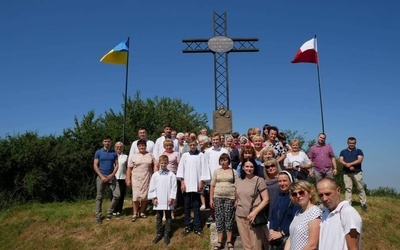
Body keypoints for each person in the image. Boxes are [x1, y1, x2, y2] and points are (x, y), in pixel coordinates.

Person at [317, 178, 362, 250]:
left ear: (338, 191)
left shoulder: (348, 212)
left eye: (328, 194)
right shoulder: (324, 212)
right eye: (321, 195)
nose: (324, 198)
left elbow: (353, 248)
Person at [235, 158, 270, 250]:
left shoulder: (259, 180)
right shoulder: (238, 181)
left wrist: (255, 212)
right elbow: (237, 196)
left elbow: (266, 199)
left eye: (251, 166)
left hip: (253, 216)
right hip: (240, 215)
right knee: (246, 245)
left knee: (255, 245)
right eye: (247, 166)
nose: (249, 168)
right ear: (243, 167)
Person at [177, 139, 208, 237]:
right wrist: (182, 182)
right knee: (186, 206)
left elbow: (204, 169)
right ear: (188, 146)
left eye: (194, 144)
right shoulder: (185, 156)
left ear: (197, 145)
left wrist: (201, 181)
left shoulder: (201, 155)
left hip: (196, 185)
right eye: (191, 145)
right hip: (186, 184)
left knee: (196, 206)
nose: (192, 146)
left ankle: (197, 227)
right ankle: (187, 226)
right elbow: (181, 169)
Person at [210, 153, 238, 250]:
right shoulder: (216, 171)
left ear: (228, 161)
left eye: (225, 160)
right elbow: (212, 185)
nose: (223, 162)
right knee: (219, 218)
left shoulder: (233, 171)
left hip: (230, 197)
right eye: (222, 160)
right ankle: (220, 241)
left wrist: (237, 199)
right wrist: (211, 199)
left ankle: (229, 241)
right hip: (218, 197)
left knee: (229, 218)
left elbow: (237, 186)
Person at [148, 155, 177, 246]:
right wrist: (154, 198)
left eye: (165, 163)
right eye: (162, 163)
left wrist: (172, 198)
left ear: (167, 163)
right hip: (159, 199)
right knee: (159, 216)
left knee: (168, 217)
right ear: (159, 164)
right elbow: (152, 187)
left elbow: (174, 187)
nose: (163, 164)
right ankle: (159, 233)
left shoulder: (171, 175)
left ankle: (167, 234)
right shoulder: (155, 175)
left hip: (168, 199)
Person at [285, 180, 321, 250]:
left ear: (310, 194)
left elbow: (312, 245)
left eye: (301, 193)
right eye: (294, 194)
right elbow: (292, 236)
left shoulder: (314, 212)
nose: (298, 196)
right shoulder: (298, 212)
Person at [269, 171, 300, 250]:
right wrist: (271, 229)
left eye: (284, 180)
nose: (282, 183)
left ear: (291, 181)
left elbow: (296, 219)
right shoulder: (280, 195)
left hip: (287, 238)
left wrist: (282, 233)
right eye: (279, 181)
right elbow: (273, 215)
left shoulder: (295, 197)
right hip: (275, 237)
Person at [126, 139, 156, 222]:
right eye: (140, 146)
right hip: (136, 178)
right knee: (136, 196)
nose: (142, 147)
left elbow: (155, 165)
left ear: (146, 146)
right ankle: (135, 213)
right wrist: (128, 178)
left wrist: (155, 175)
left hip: (147, 177)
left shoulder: (150, 155)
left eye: (143, 145)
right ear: (138, 147)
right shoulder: (134, 156)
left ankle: (142, 212)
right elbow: (129, 168)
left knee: (145, 196)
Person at [203, 133, 229, 224]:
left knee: (223, 196)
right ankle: (212, 214)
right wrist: (206, 178)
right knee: (212, 197)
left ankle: (223, 214)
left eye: (217, 139)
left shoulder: (225, 151)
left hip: (223, 177)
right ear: (211, 140)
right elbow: (205, 165)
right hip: (212, 177)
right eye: (213, 140)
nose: (215, 141)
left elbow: (229, 163)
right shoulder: (208, 151)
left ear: (220, 140)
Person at [93, 135, 120, 224]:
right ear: (103, 142)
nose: (107, 143)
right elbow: (95, 165)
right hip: (101, 176)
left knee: (117, 195)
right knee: (99, 197)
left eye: (108, 141)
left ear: (111, 142)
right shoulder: (98, 152)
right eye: (105, 141)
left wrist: (112, 175)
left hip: (111, 176)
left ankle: (110, 212)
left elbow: (117, 165)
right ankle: (98, 217)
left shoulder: (114, 153)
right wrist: (101, 176)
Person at [339, 137, 367, 211]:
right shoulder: (343, 151)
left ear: (355, 143)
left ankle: (363, 203)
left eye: (353, 143)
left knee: (360, 188)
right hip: (346, 173)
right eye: (350, 143)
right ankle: (348, 204)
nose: (351, 144)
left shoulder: (359, 151)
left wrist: (350, 164)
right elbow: (341, 160)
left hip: (357, 172)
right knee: (348, 188)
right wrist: (347, 165)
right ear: (347, 143)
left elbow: (360, 160)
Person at [112, 141, 128, 216]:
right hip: (113, 177)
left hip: (122, 177)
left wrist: (128, 178)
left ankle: (119, 210)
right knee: (114, 195)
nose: (119, 148)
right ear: (115, 148)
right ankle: (113, 209)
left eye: (120, 147)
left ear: (122, 148)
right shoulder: (111, 155)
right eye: (117, 147)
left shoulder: (125, 156)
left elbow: (128, 168)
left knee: (121, 194)